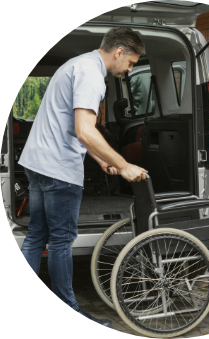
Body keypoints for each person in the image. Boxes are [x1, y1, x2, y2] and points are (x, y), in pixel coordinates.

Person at [18, 27, 148, 327]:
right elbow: (84, 130)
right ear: (119, 52)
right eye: (130, 63)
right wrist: (123, 164)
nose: (128, 70)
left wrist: (102, 159)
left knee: (37, 234)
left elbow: (71, 126)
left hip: (37, 163)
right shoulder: (91, 75)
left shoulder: (77, 64)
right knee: (62, 241)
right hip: (58, 169)